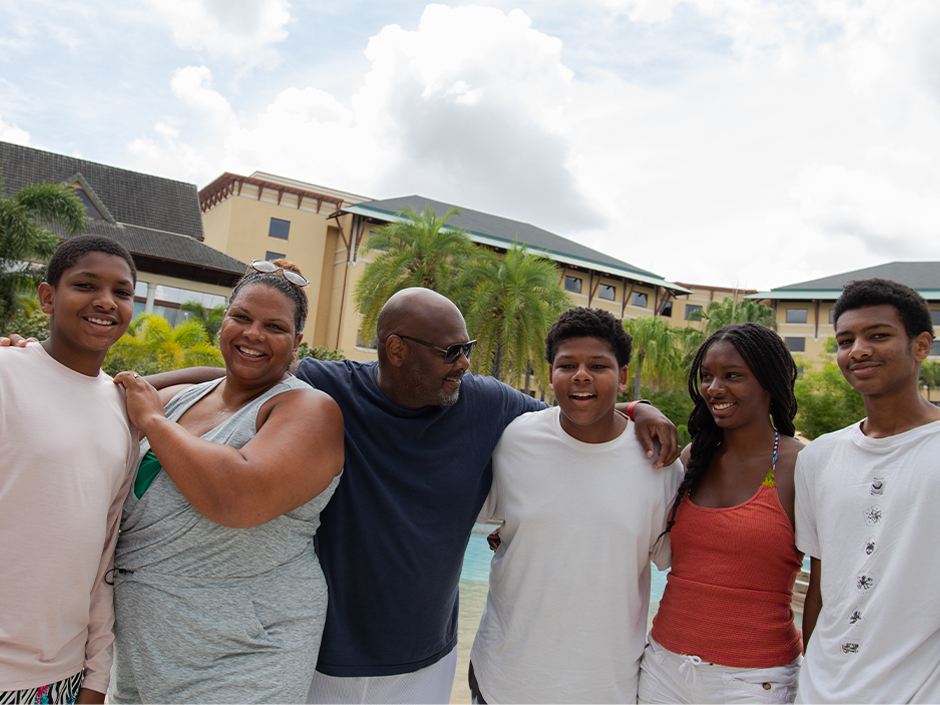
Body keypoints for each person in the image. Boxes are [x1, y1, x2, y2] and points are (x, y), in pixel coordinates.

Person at [3, 286, 679, 704]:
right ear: (394, 349)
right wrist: (98, 381)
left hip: (424, 659)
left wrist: (640, 408)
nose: (464, 363)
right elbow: (241, 369)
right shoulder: (332, 390)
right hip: (319, 654)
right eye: (451, 351)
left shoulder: (486, 404)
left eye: (466, 348)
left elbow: (575, 400)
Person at [107, 260, 344, 704]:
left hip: (240, 663)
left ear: (296, 344)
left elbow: (238, 498)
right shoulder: (187, 397)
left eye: (273, 326)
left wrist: (153, 422)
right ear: (223, 323)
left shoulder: (308, 410)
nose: (253, 333)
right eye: (242, 318)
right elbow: (87, 403)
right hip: (144, 659)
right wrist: (27, 358)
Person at [468, 307, 683, 703]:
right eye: (568, 365)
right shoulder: (517, 440)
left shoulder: (659, 465)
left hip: (605, 686)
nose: (582, 375)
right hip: (504, 678)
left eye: (599, 365)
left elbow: (674, 562)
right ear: (550, 375)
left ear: (622, 378)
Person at [0, 235, 139, 704]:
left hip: (55, 678)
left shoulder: (124, 411)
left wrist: (97, 676)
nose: (105, 302)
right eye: (85, 285)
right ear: (47, 297)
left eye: (122, 292)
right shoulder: (5, 373)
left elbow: (103, 552)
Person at [638, 323, 805, 704]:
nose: (714, 389)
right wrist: (638, 407)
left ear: (769, 382)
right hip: (664, 669)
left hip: (755, 681)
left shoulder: (800, 465)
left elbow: (828, 589)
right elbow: (587, 419)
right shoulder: (692, 458)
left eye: (732, 376)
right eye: (707, 377)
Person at [794, 278, 940, 704]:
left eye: (878, 335)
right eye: (845, 340)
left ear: (921, 346)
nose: (857, 350)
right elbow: (819, 585)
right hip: (821, 688)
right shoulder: (819, 456)